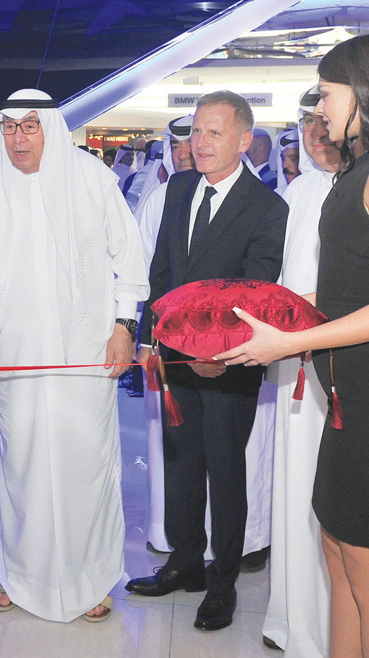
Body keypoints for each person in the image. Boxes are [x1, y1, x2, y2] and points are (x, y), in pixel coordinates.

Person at [0, 88, 149, 622]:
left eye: (29, 125)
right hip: (16, 358)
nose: (18, 137)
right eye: (9, 126)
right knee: (23, 468)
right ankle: (22, 577)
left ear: (50, 127)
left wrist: (125, 326)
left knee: (85, 466)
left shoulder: (92, 179)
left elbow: (130, 259)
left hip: (86, 354)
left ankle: (91, 581)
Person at [218, 35, 369, 656]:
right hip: (343, 399)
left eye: (327, 95)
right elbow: (342, 284)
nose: (320, 110)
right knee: (336, 552)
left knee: (362, 568)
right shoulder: (352, 172)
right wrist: (276, 321)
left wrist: (293, 340)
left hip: (364, 402)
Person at [126, 91, 287, 632]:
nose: (199, 142)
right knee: (181, 465)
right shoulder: (178, 190)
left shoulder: (267, 208)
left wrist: (214, 352)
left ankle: (222, 585)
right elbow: (162, 272)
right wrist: (149, 341)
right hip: (175, 360)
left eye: (214, 132)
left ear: (243, 141)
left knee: (225, 471)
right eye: (196, 131)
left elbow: (255, 293)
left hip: (228, 367)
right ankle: (185, 563)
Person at [259, 84, 340, 657]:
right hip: (294, 367)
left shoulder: (357, 187)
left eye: (323, 118)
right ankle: (293, 620)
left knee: (335, 502)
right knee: (294, 488)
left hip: (342, 368)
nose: (315, 132)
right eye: (306, 122)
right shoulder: (298, 189)